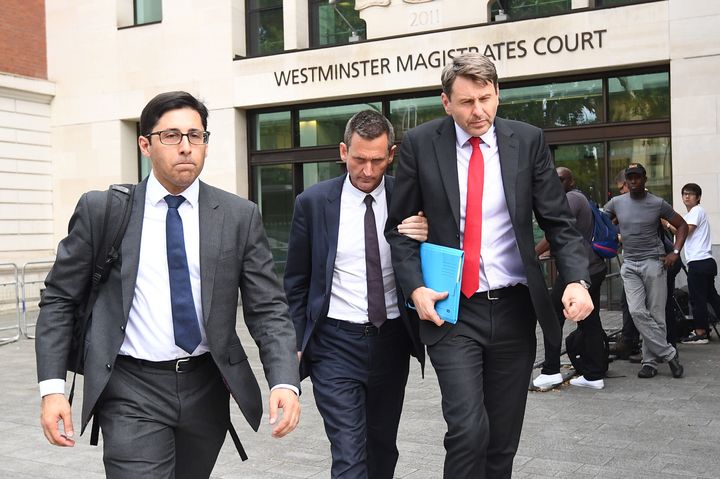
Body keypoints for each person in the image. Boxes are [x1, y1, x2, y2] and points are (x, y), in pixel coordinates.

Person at [36, 91, 301, 479]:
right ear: (145, 144)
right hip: (130, 388)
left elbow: (268, 308)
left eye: (196, 136)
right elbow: (59, 299)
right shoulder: (103, 210)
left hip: (206, 387)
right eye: (172, 136)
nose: (186, 147)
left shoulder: (238, 216)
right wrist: (52, 387)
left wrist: (283, 379)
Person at [385, 52, 594, 479]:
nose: (478, 111)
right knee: (467, 429)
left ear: (497, 94)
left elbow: (558, 221)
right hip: (453, 310)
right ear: (446, 102)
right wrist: (415, 288)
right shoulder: (422, 145)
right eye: (466, 102)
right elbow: (398, 231)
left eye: (486, 98)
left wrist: (576, 279)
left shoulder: (527, 140)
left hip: (516, 309)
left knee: (502, 439)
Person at [284, 110, 427, 479]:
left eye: (377, 160)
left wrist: (429, 234)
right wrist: (296, 342)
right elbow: (296, 281)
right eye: (359, 159)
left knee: (381, 449)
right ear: (343, 151)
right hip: (334, 344)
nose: (367, 170)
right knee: (349, 453)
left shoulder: (409, 200)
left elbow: (433, 260)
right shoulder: (313, 203)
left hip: (392, 341)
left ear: (391, 155)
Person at [603, 162, 687, 379]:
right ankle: (669, 354)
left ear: (644, 179)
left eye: (637, 177)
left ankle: (649, 362)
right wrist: (611, 235)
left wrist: (675, 252)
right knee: (638, 312)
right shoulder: (617, 203)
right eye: (630, 178)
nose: (633, 181)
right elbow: (602, 222)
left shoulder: (657, 203)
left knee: (657, 315)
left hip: (654, 263)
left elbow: (682, 226)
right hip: (630, 264)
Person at [533, 167, 608, 390]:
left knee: (553, 317)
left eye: (561, 179)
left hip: (577, 272)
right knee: (589, 321)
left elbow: (556, 231)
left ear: (571, 181)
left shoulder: (570, 199)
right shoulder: (579, 198)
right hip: (590, 267)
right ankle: (594, 375)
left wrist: (532, 254)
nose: (556, 182)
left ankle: (551, 370)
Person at [678, 183, 720, 344]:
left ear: (698, 198)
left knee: (698, 299)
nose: (687, 196)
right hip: (705, 262)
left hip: (699, 262)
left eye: (691, 194)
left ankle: (701, 333)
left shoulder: (697, 211)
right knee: (712, 297)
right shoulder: (691, 214)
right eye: (684, 194)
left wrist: (667, 224)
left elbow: (685, 231)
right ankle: (702, 331)